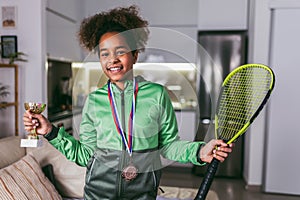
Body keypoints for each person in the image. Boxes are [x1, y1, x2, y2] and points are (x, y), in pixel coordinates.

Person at [23, 5, 233, 200]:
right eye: (105, 53)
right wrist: (50, 131)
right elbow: (84, 155)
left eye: (120, 52)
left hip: (142, 194)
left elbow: (168, 146)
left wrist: (199, 151)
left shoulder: (157, 95)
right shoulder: (94, 101)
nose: (112, 59)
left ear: (135, 55)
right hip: (98, 194)